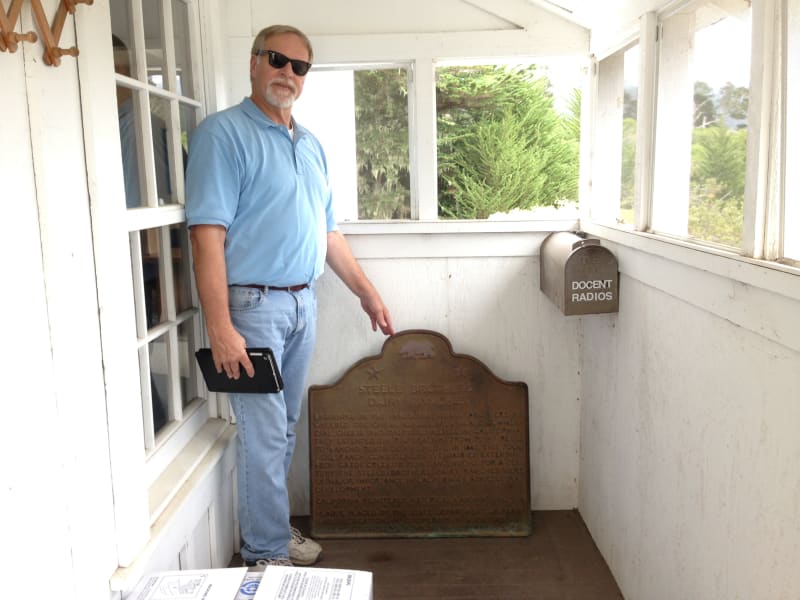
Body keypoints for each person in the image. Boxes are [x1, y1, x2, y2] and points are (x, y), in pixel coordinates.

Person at [184, 25, 394, 570]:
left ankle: (270, 532)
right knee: (264, 430)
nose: (289, 74)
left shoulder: (312, 144)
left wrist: (366, 294)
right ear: (254, 62)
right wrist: (221, 326)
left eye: (300, 67)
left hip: (304, 304)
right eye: (279, 60)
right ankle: (266, 552)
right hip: (252, 309)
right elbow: (208, 236)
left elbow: (328, 235)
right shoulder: (222, 134)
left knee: (285, 426)